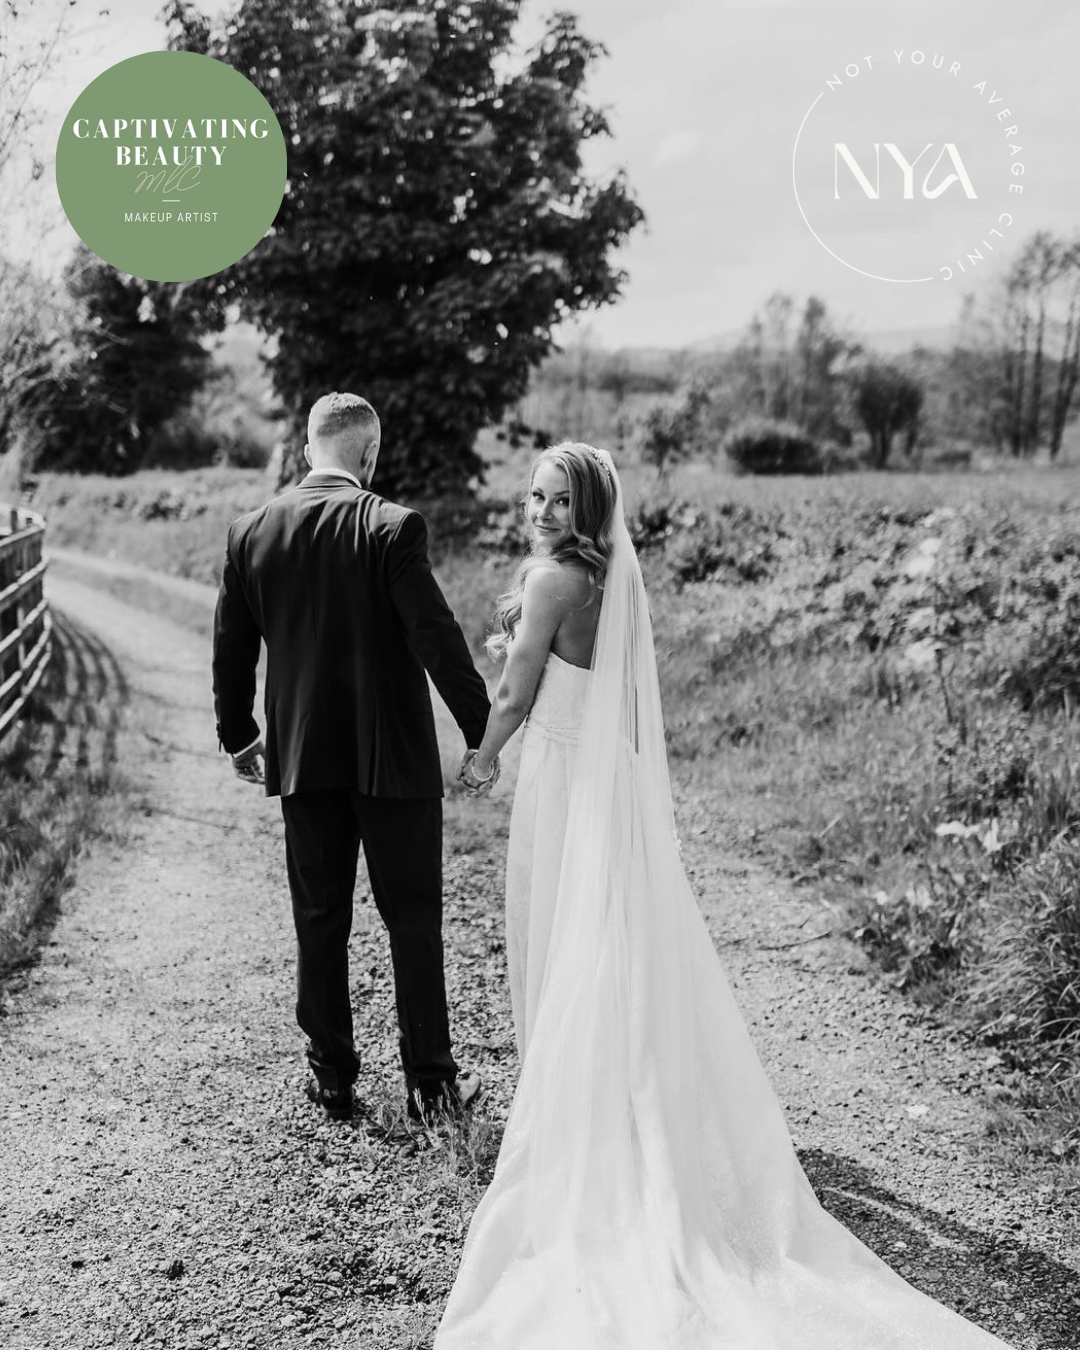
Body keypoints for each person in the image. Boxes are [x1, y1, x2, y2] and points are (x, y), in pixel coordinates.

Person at [440, 442, 1016, 1348]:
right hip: (601, 782)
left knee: (558, 934)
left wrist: (481, 760)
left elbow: (513, 691)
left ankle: (574, 1119)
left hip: (558, 777)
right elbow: (617, 696)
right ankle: (620, 1105)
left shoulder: (552, 579)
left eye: (559, 500)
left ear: (588, 511)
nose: (541, 511)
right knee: (607, 941)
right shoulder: (609, 582)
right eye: (536, 495)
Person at [212, 392, 493, 1125]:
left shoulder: (250, 532)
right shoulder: (392, 526)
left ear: (308, 450)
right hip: (393, 760)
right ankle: (431, 1087)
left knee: (319, 918)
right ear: (368, 454)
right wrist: (482, 732)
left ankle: (332, 1078)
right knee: (413, 922)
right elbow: (437, 636)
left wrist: (239, 736)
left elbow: (232, 650)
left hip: (303, 757)